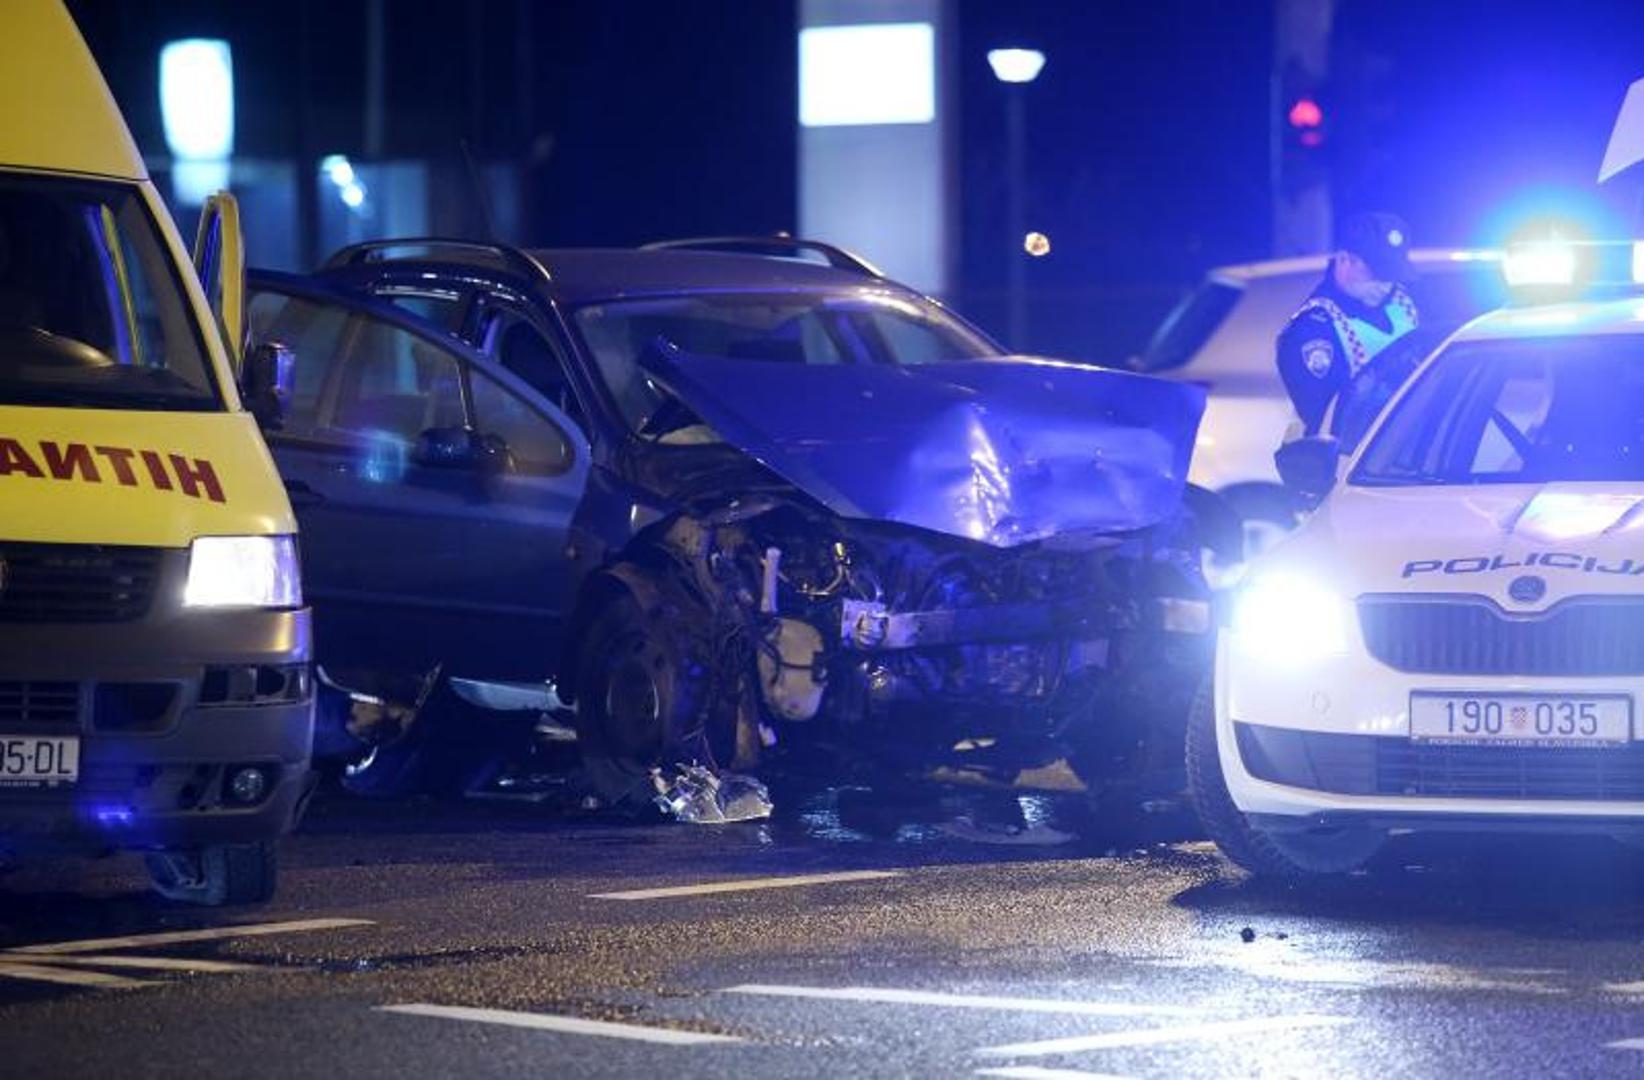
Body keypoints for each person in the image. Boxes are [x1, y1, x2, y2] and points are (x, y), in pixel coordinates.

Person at [1276, 211, 1421, 445]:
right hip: (1345, 463)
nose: (1386, 285)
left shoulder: (1402, 304)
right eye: (1377, 273)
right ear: (1344, 260)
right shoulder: (1312, 330)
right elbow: (1324, 415)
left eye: (1392, 274)